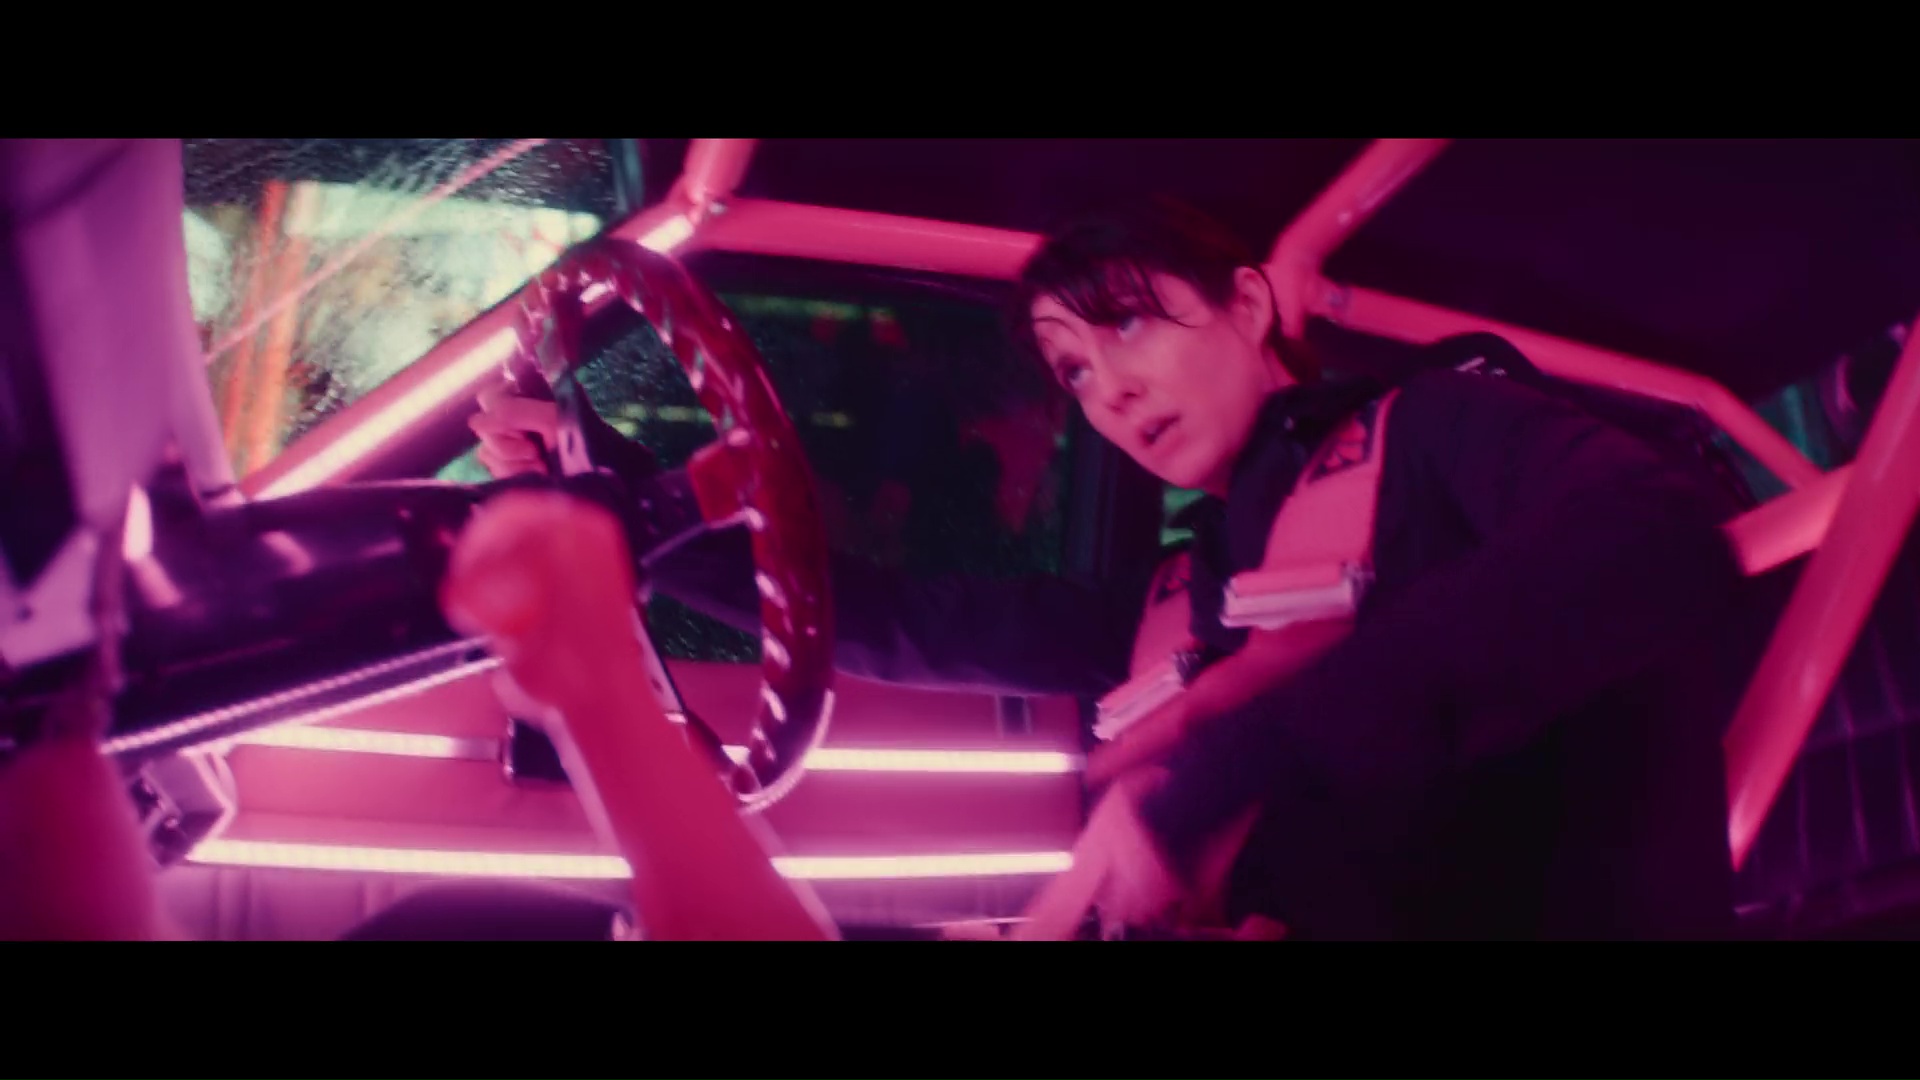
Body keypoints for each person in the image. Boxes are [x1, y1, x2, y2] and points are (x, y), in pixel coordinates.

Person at [471, 197, 1755, 940]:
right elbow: (886, 614)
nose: (1110, 390)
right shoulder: (1164, 603)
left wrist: (1223, 774)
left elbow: (1654, 537)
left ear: (1250, 303)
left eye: (1130, 321)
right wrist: (619, 510)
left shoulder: (1443, 432)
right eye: (1074, 369)